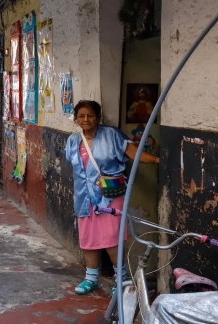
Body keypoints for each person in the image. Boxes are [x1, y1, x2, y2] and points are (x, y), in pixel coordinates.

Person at [65, 100, 160, 295]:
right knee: (88, 239)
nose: (86, 119)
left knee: (111, 239)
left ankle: (121, 278)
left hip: (109, 196)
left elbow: (134, 153)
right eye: (81, 116)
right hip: (84, 198)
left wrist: (158, 160)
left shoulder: (112, 135)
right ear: (76, 119)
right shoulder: (73, 140)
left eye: (90, 115)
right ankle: (90, 278)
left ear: (98, 117)